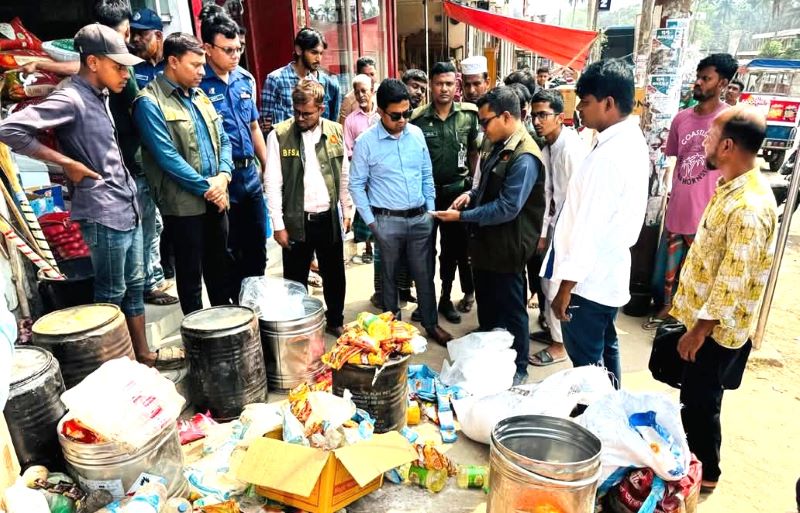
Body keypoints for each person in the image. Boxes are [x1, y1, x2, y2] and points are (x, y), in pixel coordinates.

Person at [0, 23, 160, 366]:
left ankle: (142, 355)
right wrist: (66, 163)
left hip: (126, 204)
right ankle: (115, 367)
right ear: (93, 63)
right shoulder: (70, 97)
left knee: (134, 286)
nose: (125, 74)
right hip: (102, 211)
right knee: (110, 295)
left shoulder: (98, 92)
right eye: (118, 66)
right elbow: (10, 129)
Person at [670, 105, 776, 492]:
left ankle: (707, 474)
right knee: (693, 397)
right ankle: (695, 460)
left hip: (714, 332)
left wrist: (697, 332)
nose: (705, 146)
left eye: (711, 139)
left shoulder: (748, 206)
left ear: (728, 145)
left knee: (701, 402)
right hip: (703, 321)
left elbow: (731, 283)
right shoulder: (730, 187)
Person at [545, 59, 649, 387]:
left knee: (588, 365)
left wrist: (565, 289)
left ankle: (595, 422)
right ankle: (611, 410)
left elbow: (587, 232)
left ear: (608, 103)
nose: (580, 111)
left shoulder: (609, 156)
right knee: (606, 350)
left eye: (585, 103)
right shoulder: (627, 141)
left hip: (588, 285)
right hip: (607, 276)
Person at [434, 86, 545, 385]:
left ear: (507, 116)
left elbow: (508, 207)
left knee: (511, 309)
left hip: (508, 245)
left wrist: (462, 217)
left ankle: (519, 365)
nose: (482, 128)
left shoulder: (525, 157)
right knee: (488, 302)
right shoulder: (498, 143)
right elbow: (485, 184)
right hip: (486, 242)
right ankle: (491, 352)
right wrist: (470, 195)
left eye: (486, 121)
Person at [133, 33, 233, 315]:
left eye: (203, 65)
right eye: (195, 65)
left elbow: (223, 140)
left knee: (220, 269)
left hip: (216, 198)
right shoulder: (149, 103)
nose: (203, 71)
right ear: (173, 62)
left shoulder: (200, 96)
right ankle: (198, 334)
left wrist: (223, 177)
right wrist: (208, 187)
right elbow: (167, 158)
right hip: (183, 207)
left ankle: (225, 327)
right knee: (190, 277)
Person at [350, 78, 452, 345]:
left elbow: (426, 175)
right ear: (381, 112)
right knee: (389, 278)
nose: (403, 120)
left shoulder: (416, 134)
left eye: (407, 113)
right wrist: (373, 224)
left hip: (419, 219)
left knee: (424, 274)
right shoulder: (366, 142)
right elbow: (356, 185)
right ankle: (391, 329)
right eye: (396, 115)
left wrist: (429, 212)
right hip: (386, 222)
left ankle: (431, 324)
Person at [648, 54, 737, 327]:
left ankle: (690, 319)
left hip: (708, 213)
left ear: (722, 82)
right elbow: (676, 159)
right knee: (667, 273)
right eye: (698, 77)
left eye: (706, 78)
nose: (698, 83)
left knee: (700, 271)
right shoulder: (681, 120)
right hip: (679, 207)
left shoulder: (730, 120)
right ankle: (668, 308)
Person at [266, 79, 351, 336]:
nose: (301, 118)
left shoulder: (336, 131)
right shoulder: (279, 135)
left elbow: (345, 174)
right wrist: (278, 226)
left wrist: (347, 210)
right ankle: (301, 328)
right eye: (297, 112)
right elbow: (272, 183)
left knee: (334, 275)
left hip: (328, 218)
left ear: (321, 108)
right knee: (295, 281)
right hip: (295, 221)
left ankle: (335, 320)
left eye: (307, 113)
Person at [199, 7, 268, 302]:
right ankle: (230, 310)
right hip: (219, 181)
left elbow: (253, 126)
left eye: (238, 48)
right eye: (227, 50)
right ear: (207, 49)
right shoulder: (198, 84)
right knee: (224, 249)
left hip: (249, 177)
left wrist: (267, 166)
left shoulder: (244, 79)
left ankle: (253, 301)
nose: (235, 55)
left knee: (256, 247)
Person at [411, 61, 480, 324]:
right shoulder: (417, 118)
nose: (444, 89)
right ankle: (425, 300)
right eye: (439, 83)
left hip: (457, 196)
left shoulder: (468, 116)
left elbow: (474, 153)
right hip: (426, 197)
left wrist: (474, 188)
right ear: (431, 85)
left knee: (452, 252)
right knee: (424, 251)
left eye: (449, 84)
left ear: (457, 85)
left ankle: (445, 300)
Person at [527, 89, 587, 367]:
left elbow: (574, 201)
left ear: (560, 118)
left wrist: (559, 238)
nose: (537, 121)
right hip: (553, 228)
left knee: (554, 286)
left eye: (543, 115)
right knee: (546, 283)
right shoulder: (549, 145)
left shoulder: (570, 149)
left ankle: (560, 345)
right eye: (534, 115)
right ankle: (555, 334)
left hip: (568, 230)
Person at [260, 27, 341, 132]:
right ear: (299, 50)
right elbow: (264, 123)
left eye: (321, 53)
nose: (318, 58)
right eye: (314, 52)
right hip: (284, 144)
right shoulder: (276, 79)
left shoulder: (314, 82)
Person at [130, 8, 164, 88]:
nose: (135, 38)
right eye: (133, 33)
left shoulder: (174, 62)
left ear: (158, 36)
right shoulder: (130, 66)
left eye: (141, 33)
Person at [338, 56, 378, 124]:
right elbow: (343, 127)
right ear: (357, 76)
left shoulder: (382, 92)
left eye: (372, 74)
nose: (370, 78)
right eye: (365, 75)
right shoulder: (349, 100)